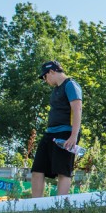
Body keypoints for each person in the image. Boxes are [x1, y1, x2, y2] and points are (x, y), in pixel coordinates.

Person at [32, 61, 83, 198]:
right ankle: (35, 204)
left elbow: (77, 109)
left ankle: (60, 204)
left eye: (45, 77)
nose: (45, 80)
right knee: (37, 169)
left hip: (66, 133)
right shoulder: (56, 89)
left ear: (52, 72)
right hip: (50, 133)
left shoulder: (70, 85)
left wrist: (74, 135)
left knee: (63, 171)